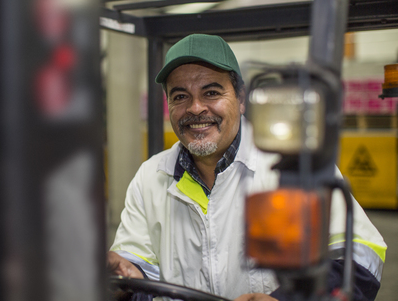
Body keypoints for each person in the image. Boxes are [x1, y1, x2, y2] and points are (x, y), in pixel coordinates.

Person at [107, 34, 386, 301]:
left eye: (211, 92)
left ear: (240, 99)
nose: (195, 108)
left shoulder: (293, 168)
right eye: (179, 96)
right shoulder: (150, 177)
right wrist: (127, 279)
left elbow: (362, 257)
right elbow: (139, 266)